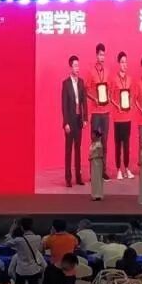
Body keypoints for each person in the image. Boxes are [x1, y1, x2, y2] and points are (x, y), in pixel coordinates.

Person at [85, 43, 111, 180]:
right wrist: (94, 99)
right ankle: (94, 172)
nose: (102, 57)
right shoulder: (91, 72)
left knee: (104, 142)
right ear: (96, 55)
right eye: (100, 54)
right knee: (95, 142)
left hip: (105, 113)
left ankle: (103, 171)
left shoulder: (107, 71)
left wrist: (109, 97)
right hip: (95, 113)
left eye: (104, 55)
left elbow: (109, 90)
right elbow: (85, 90)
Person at [61, 54, 87, 188]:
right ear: (70, 67)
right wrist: (65, 122)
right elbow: (64, 105)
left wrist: (85, 118)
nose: (77, 68)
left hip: (78, 120)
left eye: (78, 65)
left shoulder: (81, 82)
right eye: (75, 66)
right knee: (68, 150)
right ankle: (68, 178)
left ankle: (78, 177)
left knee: (78, 149)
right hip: (70, 122)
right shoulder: (66, 84)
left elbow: (84, 102)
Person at [5, 218, 46, 284]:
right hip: (33, 269)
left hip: (21, 270)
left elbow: (7, 243)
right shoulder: (38, 237)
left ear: (22, 227)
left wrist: (12, 230)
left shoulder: (18, 240)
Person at [111, 51, 134, 180]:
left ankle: (127, 168)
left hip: (127, 117)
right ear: (118, 63)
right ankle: (119, 170)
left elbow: (131, 96)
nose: (124, 64)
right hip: (117, 118)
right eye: (122, 62)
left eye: (126, 62)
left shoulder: (129, 79)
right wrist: (118, 105)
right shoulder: (114, 79)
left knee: (127, 144)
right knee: (118, 144)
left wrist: (129, 102)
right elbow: (110, 97)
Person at [89, 129, 104, 201]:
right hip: (93, 163)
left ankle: (98, 194)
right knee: (94, 178)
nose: (92, 136)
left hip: (97, 163)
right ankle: (94, 194)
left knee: (97, 178)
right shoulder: (93, 144)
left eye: (93, 134)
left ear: (96, 136)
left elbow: (100, 155)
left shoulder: (99, 145)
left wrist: (92, 157)